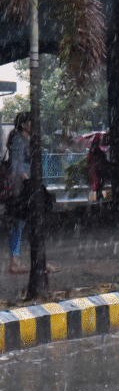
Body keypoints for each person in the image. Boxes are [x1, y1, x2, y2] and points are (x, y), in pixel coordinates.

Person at [6, 111, 32, 274]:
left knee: (22, 223)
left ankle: (20, 260)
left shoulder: (27, 140)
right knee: (18, 223)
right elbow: (16, 165)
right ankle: (14, 262)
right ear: (24, 125)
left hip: (26, 186)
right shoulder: (18, 140)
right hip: (21, 187)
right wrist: (26, 178)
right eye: (31, 122)